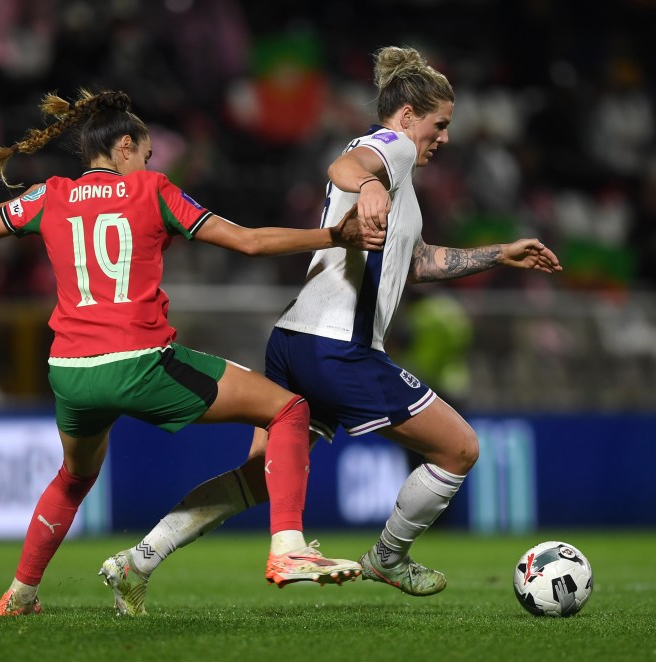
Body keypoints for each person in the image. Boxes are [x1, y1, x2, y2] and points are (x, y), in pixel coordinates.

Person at [113, 46, 562, 614]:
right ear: (406, 117)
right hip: (336, 347)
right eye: (439, 124)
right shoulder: (390, 148)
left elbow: (417, 263)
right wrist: (369, 185)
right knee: (460, 449)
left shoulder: (403, 185)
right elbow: (345, 166)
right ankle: (389, 557)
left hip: (293, 340)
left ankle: (138, 561)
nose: (444, 137)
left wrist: (499, 254)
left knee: (257, 478)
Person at [0, 88, 386, 617]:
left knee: (73, 478)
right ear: (126, 147)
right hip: (138, 362)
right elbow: (246, 241)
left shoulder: (51, 195)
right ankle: (288, 549)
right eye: (146, 154)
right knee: (291, 409)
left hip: (71, 372)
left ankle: (19, 595)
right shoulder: (151, 190)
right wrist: (332, 235)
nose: (149, 164)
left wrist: (32, 209)